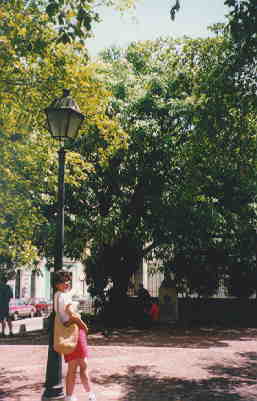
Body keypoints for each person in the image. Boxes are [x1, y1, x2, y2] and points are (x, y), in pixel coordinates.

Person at [54, 270, 96, 401]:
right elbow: (71, 314)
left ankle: (71, 396)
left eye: (67, 280)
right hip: (74, 331)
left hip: (67, 332)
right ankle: (88, 395)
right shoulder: (64, 296)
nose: (66, 283)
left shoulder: (57, 295)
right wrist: (83, 325)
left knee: (74, 366)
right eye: (62, 281)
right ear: (56, 284)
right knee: (82, 365)